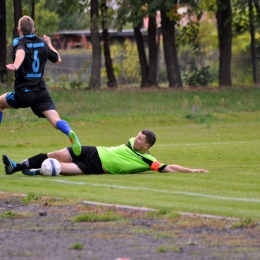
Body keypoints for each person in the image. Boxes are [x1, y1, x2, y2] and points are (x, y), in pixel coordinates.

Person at [0, 15, 81, 156]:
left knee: (0, 104)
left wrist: (16, 65)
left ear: (19, 30)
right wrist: (49, 43)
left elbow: (21, 52)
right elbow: (58, 60)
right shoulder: (42, 44)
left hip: (24, 93)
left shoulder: (18, 41)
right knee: (56, 120)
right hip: (41, 93)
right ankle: (69, 132)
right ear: (33, 29)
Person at [2, 129, 208, 176]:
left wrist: (191, 171)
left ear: (147, 146)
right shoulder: (129, 143)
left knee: (56, 169)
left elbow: (167, 167)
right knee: (53, 155)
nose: (136, 139)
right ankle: (16, 166)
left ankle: (34, 171)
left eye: (140, 139)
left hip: (94, 167)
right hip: (94, 151)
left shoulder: (148, 161)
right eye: (137, 136)